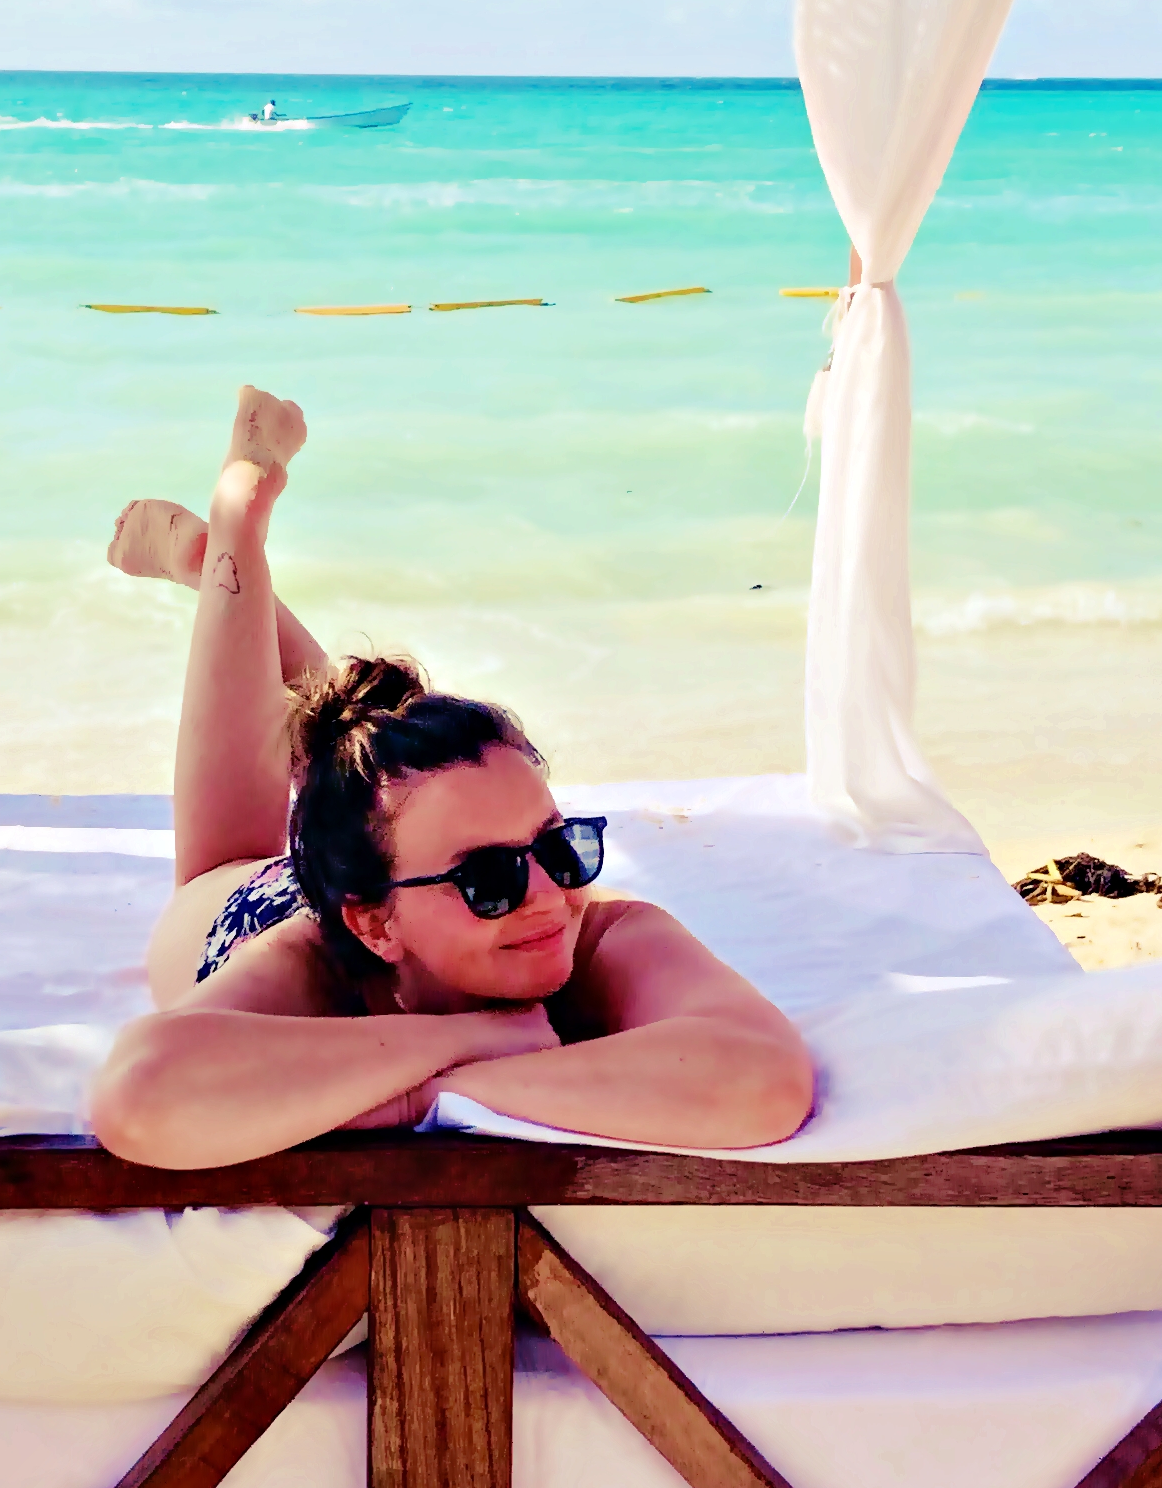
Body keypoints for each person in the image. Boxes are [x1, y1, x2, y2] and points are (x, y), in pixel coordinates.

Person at [90, 386, 815, 1167]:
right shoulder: (308, 964)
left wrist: (432, 1091)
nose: (546, 895)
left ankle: (230, 570)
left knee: (397, 759)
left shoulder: (593, 928)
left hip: (389, 860)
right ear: (374, 926)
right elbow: (138, 1095)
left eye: (561, 847)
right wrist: (473, 1034)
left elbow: (761, 1080)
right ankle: (236, 525)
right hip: (246, 894)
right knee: (285, 819)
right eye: (488, 879)